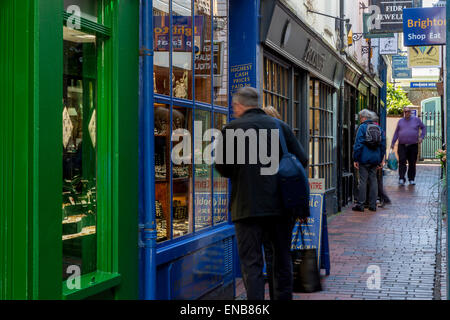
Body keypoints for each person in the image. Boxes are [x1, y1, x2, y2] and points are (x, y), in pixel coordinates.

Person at [215, 88, 308, 300]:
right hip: (280, 207)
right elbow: (301, 159)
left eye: (234, 106)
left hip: (246, 207)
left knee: (251, 264)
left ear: (239, 105)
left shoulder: (231, 129)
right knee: (281, 259)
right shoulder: (280, 127)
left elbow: (223, 168)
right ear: (257, 103)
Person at [352, 109, 386, 212]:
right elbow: (383, 145)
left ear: (363, 118)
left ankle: (361, 205)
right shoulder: (378, 128)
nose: (360, 120)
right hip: (375, 159)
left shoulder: (362, 128)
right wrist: (380, 159)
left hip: (364, 158)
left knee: (362, 181)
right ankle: (373, 205)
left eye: (360, 117)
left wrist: (356, 158)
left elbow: (358, 145)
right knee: (373, 180)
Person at [390, 105, 426, 186]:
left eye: (408, 111)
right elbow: (396, 133)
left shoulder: (416, 120)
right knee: (402, 161)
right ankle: (401, 178)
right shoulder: (400, 121)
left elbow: (423, 128)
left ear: (410, 112)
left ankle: (411, 179)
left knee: (412, 163)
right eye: (405, 111)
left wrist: (421, 137)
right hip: (402, 145)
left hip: (413, 145)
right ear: (404, 112)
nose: (407, 113)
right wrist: (393, 143)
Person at [369, 111, 391, 207]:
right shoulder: (380, 129)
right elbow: (383, 145)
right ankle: (382, 198)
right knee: (377, 179)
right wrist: (382, 159)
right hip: (378, 157)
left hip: (372, 158)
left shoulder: (370, 128)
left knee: (375, 180)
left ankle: (383, 198)